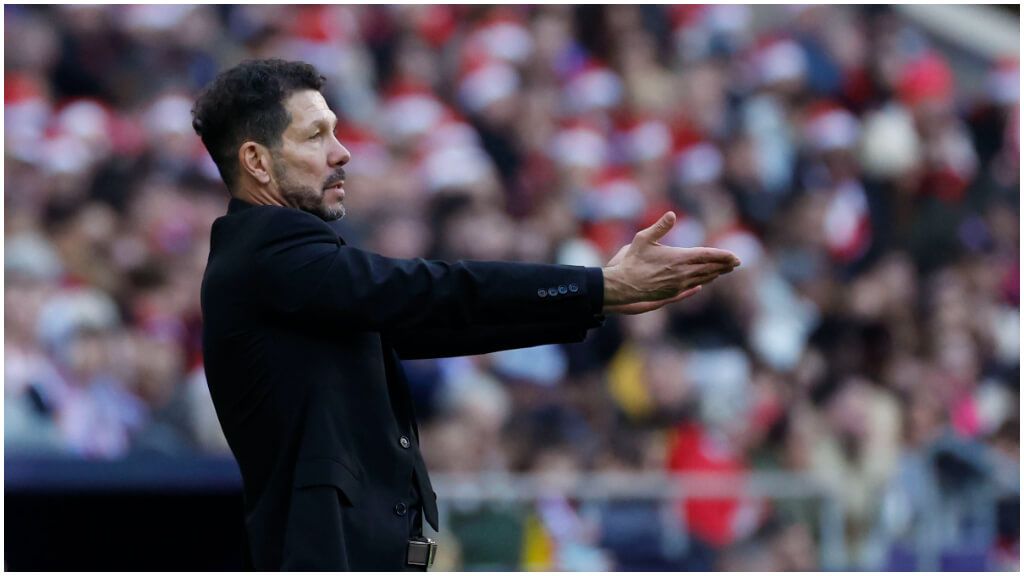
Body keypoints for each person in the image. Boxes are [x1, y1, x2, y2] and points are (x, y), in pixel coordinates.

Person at [192, 58, 740, 571]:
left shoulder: (289, 267)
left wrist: (596, 297)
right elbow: (433, 293)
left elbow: (438, 317)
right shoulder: (269, 252)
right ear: (256, 161)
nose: (342, 152)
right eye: (315, 136)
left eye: (335, 131)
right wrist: (597, 287)